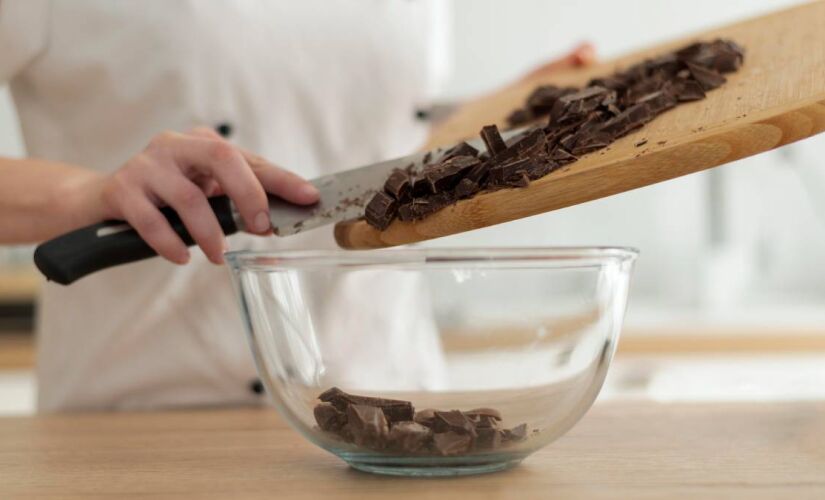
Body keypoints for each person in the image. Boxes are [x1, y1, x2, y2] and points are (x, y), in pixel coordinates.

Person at [0, 1, 593, 411]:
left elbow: (364, 129)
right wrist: (91, 194)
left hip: (395, 398)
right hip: (147, 416)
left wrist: (506, 113)